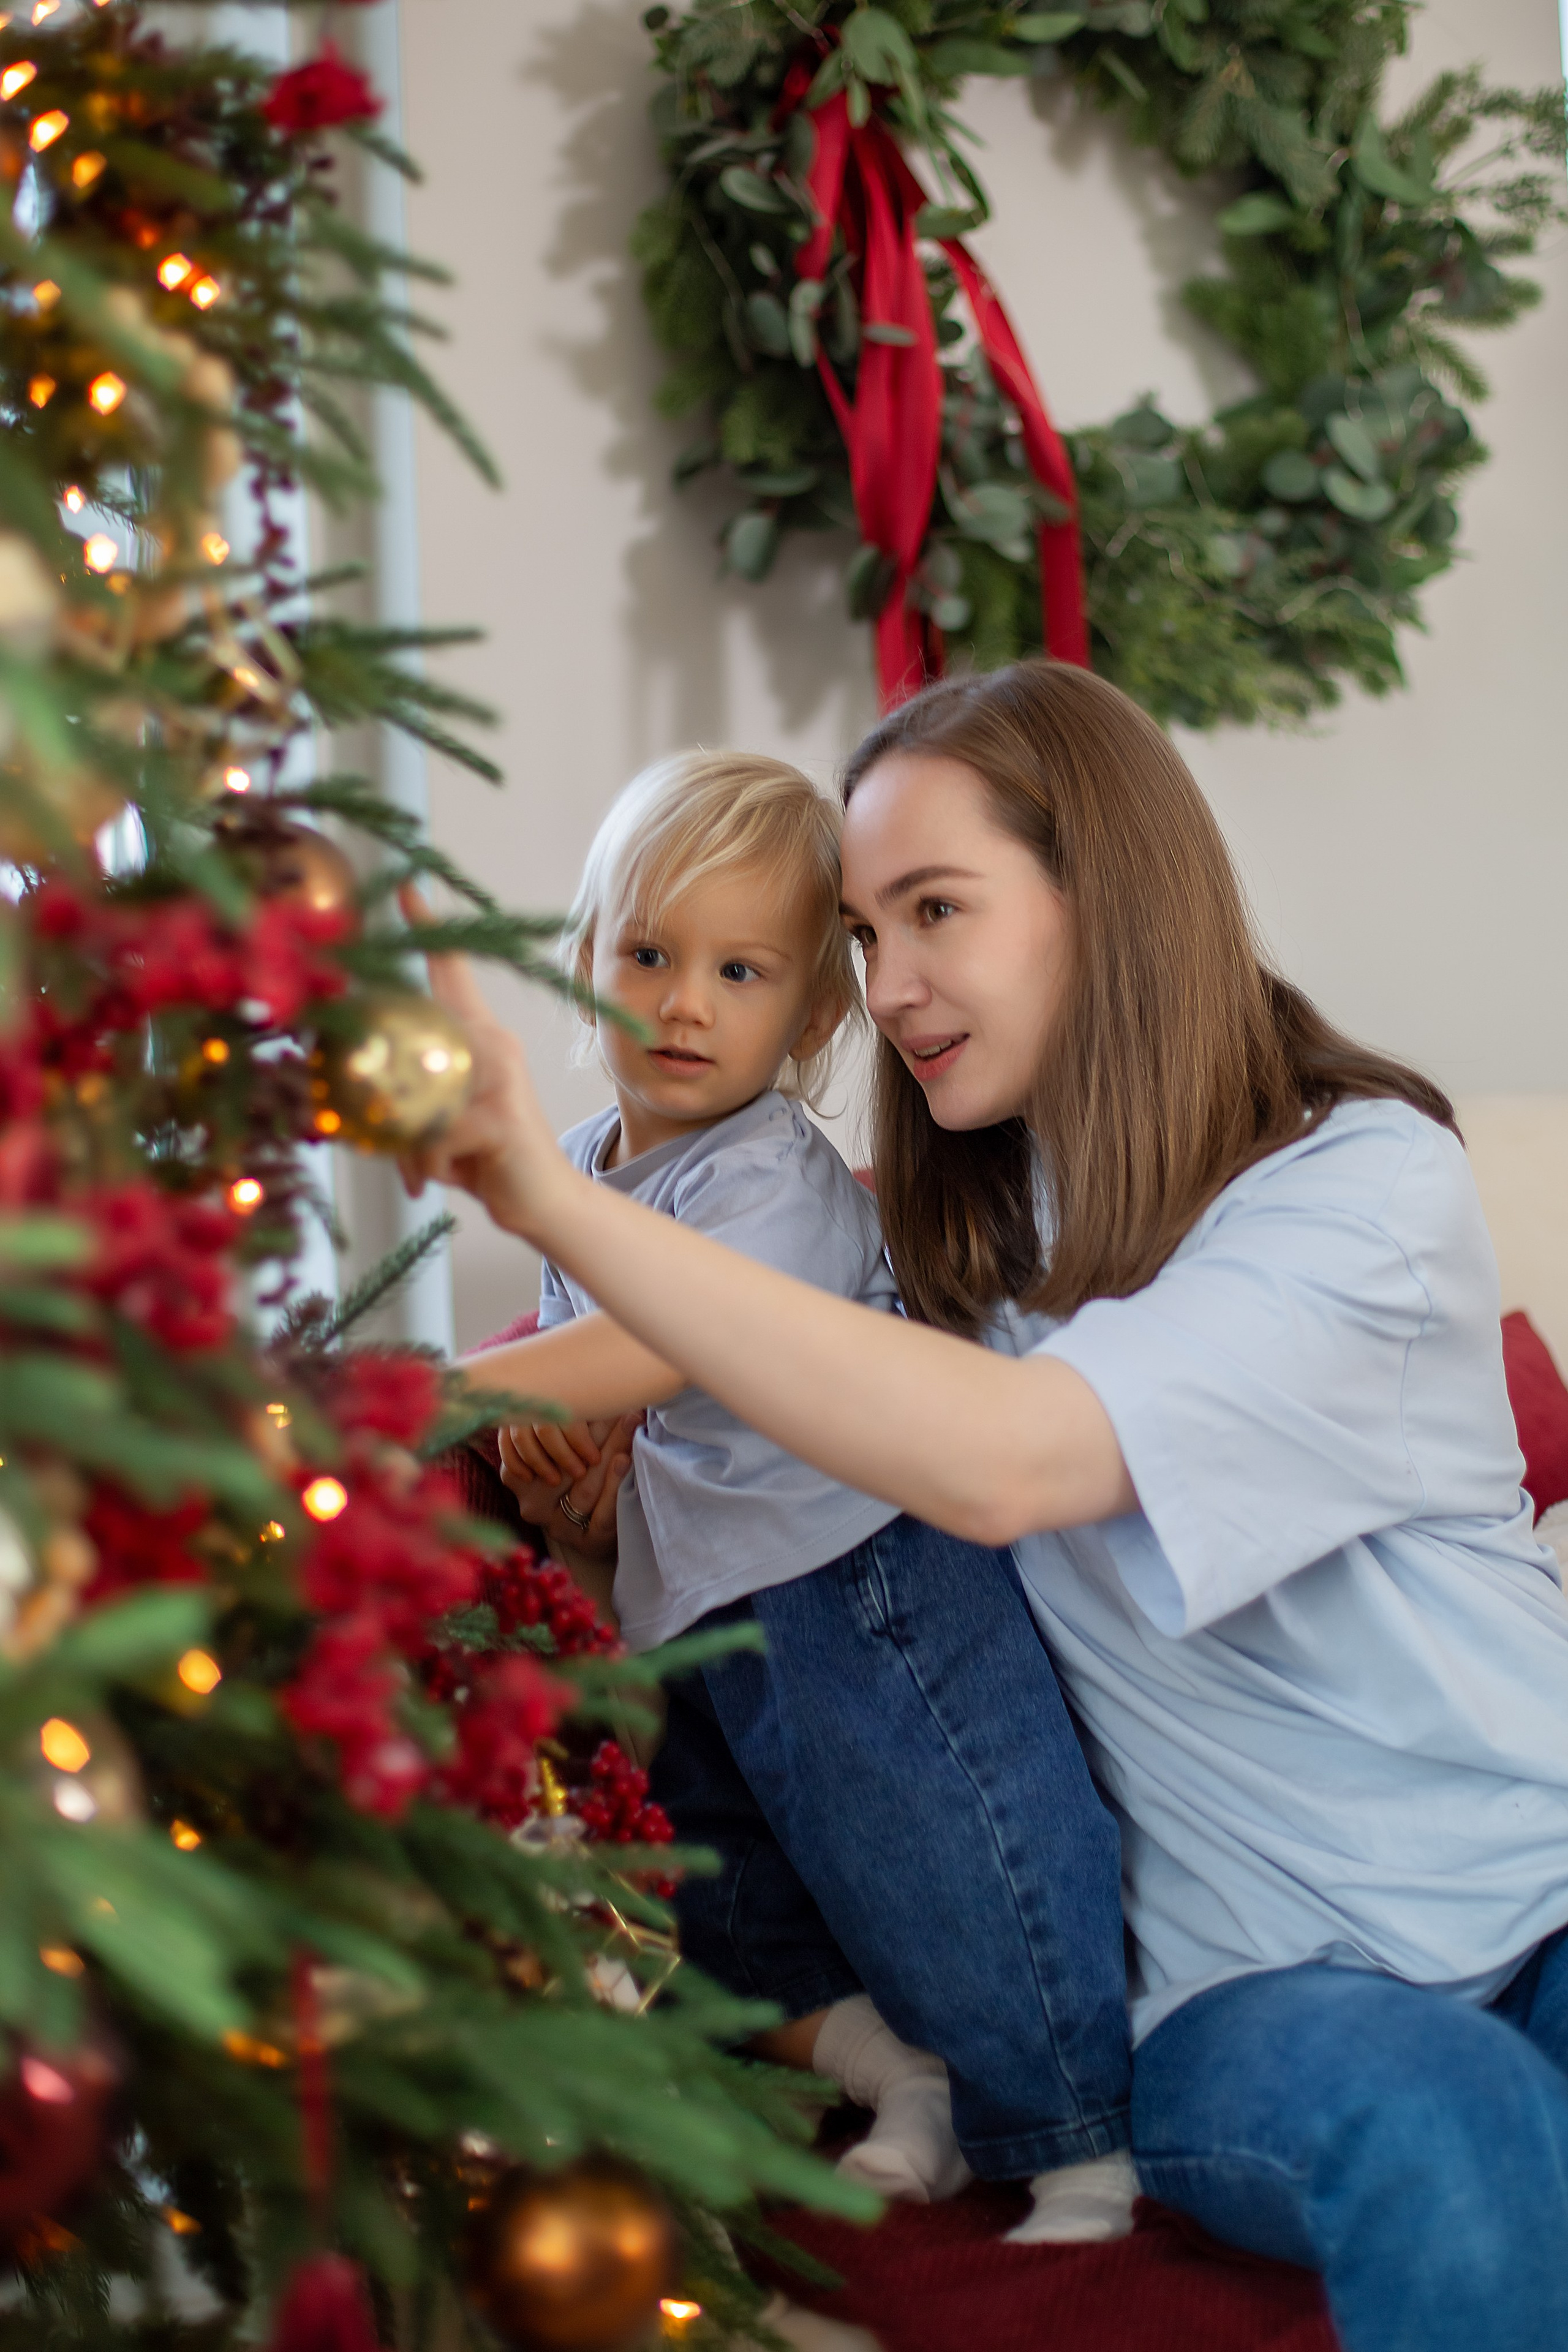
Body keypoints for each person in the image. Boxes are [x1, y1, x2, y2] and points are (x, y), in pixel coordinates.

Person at [409, 661, 1568, 2352]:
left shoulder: (1362, 1188)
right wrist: (590, 1504)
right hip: (1246, 2001)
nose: (889, 985)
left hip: (1540, 1890)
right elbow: (785, 1454)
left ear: (1107, 896)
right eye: (867, 938)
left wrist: (543, 1213)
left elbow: (1014, 1455)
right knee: (1446, 2117)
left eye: (935, 910)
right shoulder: (948, 1251)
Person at [454, 748, 1135, 2234]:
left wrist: (431, 1401)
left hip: (862, 1572)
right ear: (582, 965)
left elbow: (653, 1342)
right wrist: (579, 1504)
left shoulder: (770, 1178)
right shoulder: (586, 1169)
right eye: (647, 955)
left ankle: (1075, 2137)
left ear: (815, 1015)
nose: (684, 1002)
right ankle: (906, 2081)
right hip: (705, 1600)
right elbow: (630, 1416)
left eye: (740, 971)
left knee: (950, 1846)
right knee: (717, 1884)